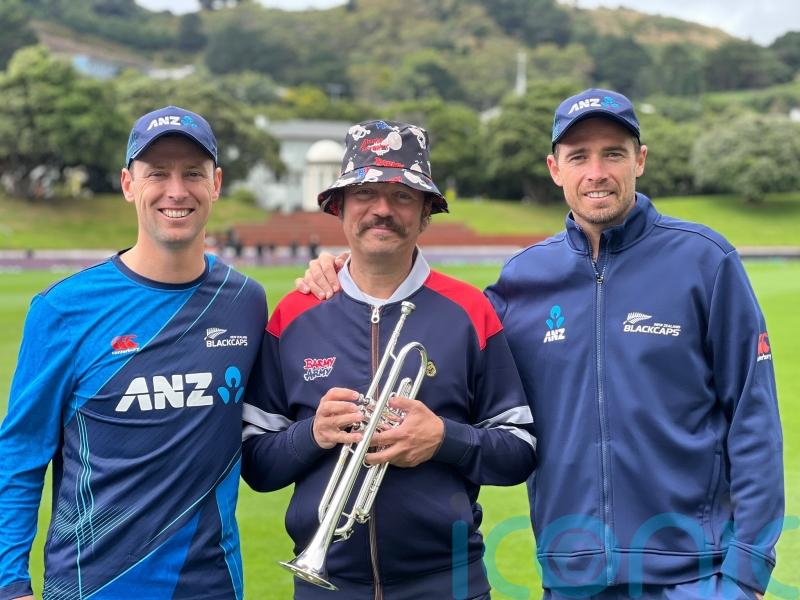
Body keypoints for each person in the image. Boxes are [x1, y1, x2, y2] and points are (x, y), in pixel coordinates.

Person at [296, 90, 784, 599]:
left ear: (640, 160)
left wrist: (746, 577)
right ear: (556, 168)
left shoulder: (705, 262)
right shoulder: (520, 281)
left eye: (613, 153)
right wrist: (345, 269)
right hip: (571, 580)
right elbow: (442, 344)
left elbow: (753, 421)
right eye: (578, 156)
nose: (596, 171)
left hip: (695, 577)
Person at [241, 120, 536, 600]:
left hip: (449, 584)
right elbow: (256, 465)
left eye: (402, 196)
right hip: (325, 588)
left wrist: (444, 438)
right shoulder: (294, 314)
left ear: (425, 213)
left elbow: (518, 450)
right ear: (339, 207)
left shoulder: (470, 311)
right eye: (365, 194)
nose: (382, 209)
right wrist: (311, 434)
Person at [0, 106, 267, 600]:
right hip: (90, 586)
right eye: (156, 173)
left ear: (216, 183)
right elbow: (19, 454)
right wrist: (10, 584)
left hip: (211, 585)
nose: (176, 190)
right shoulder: (63, 309)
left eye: (192, 173)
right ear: (128, 184)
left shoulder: (244, 300)